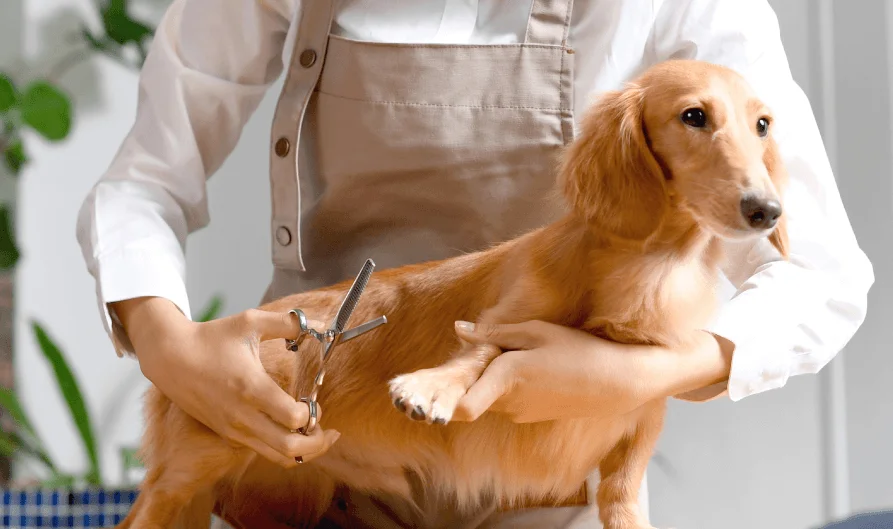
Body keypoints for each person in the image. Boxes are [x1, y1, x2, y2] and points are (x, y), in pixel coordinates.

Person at [75, 0, 874, 527]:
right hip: (308, 458)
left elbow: (821, 275)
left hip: (542, 486)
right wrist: (166, 343)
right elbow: (144, 179)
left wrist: (638, 374)